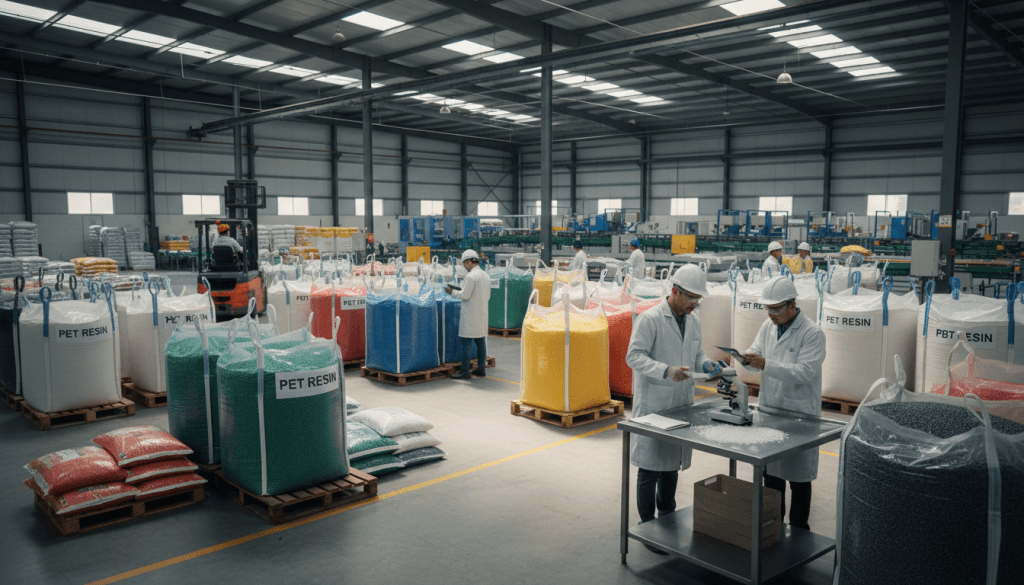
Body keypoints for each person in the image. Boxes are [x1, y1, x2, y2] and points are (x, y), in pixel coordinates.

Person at [626, 265, 725, 554]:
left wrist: (706, 365)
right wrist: (665, 370)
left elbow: (697, 354)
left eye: (698, 299)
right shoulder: (650, 319)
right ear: (675, 291)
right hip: (655, 403)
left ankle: (666, 516)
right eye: (691, 298)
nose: (695, 304)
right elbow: (634, 356)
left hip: (681, 404)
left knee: (672, 466)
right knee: (650, 468)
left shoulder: (693, 321)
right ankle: (647, 525)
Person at [743, 276, 826, 532]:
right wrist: (746, 358)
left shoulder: (812, 333)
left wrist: (765, 364)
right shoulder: (768, 327)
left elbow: (804, 372)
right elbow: (755, 350)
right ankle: (772, 529)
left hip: (800, 414)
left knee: (799, 479)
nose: (771, 315)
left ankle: (800, 531)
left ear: (792, 305)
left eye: (776, 309)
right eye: (768, 309)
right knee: (772, 476)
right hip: (770, 410)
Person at [446, 250, 491, 380]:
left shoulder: (471, 276)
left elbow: (465, 295)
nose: (465, 267)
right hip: (482, 313)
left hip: (470, 314)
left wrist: (452, 292)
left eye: (465, 264)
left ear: (470, 262)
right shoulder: (485, 275)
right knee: (480, 340)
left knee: (466, 341)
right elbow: (485, 295)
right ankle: (481, 368)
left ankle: (465, 371)